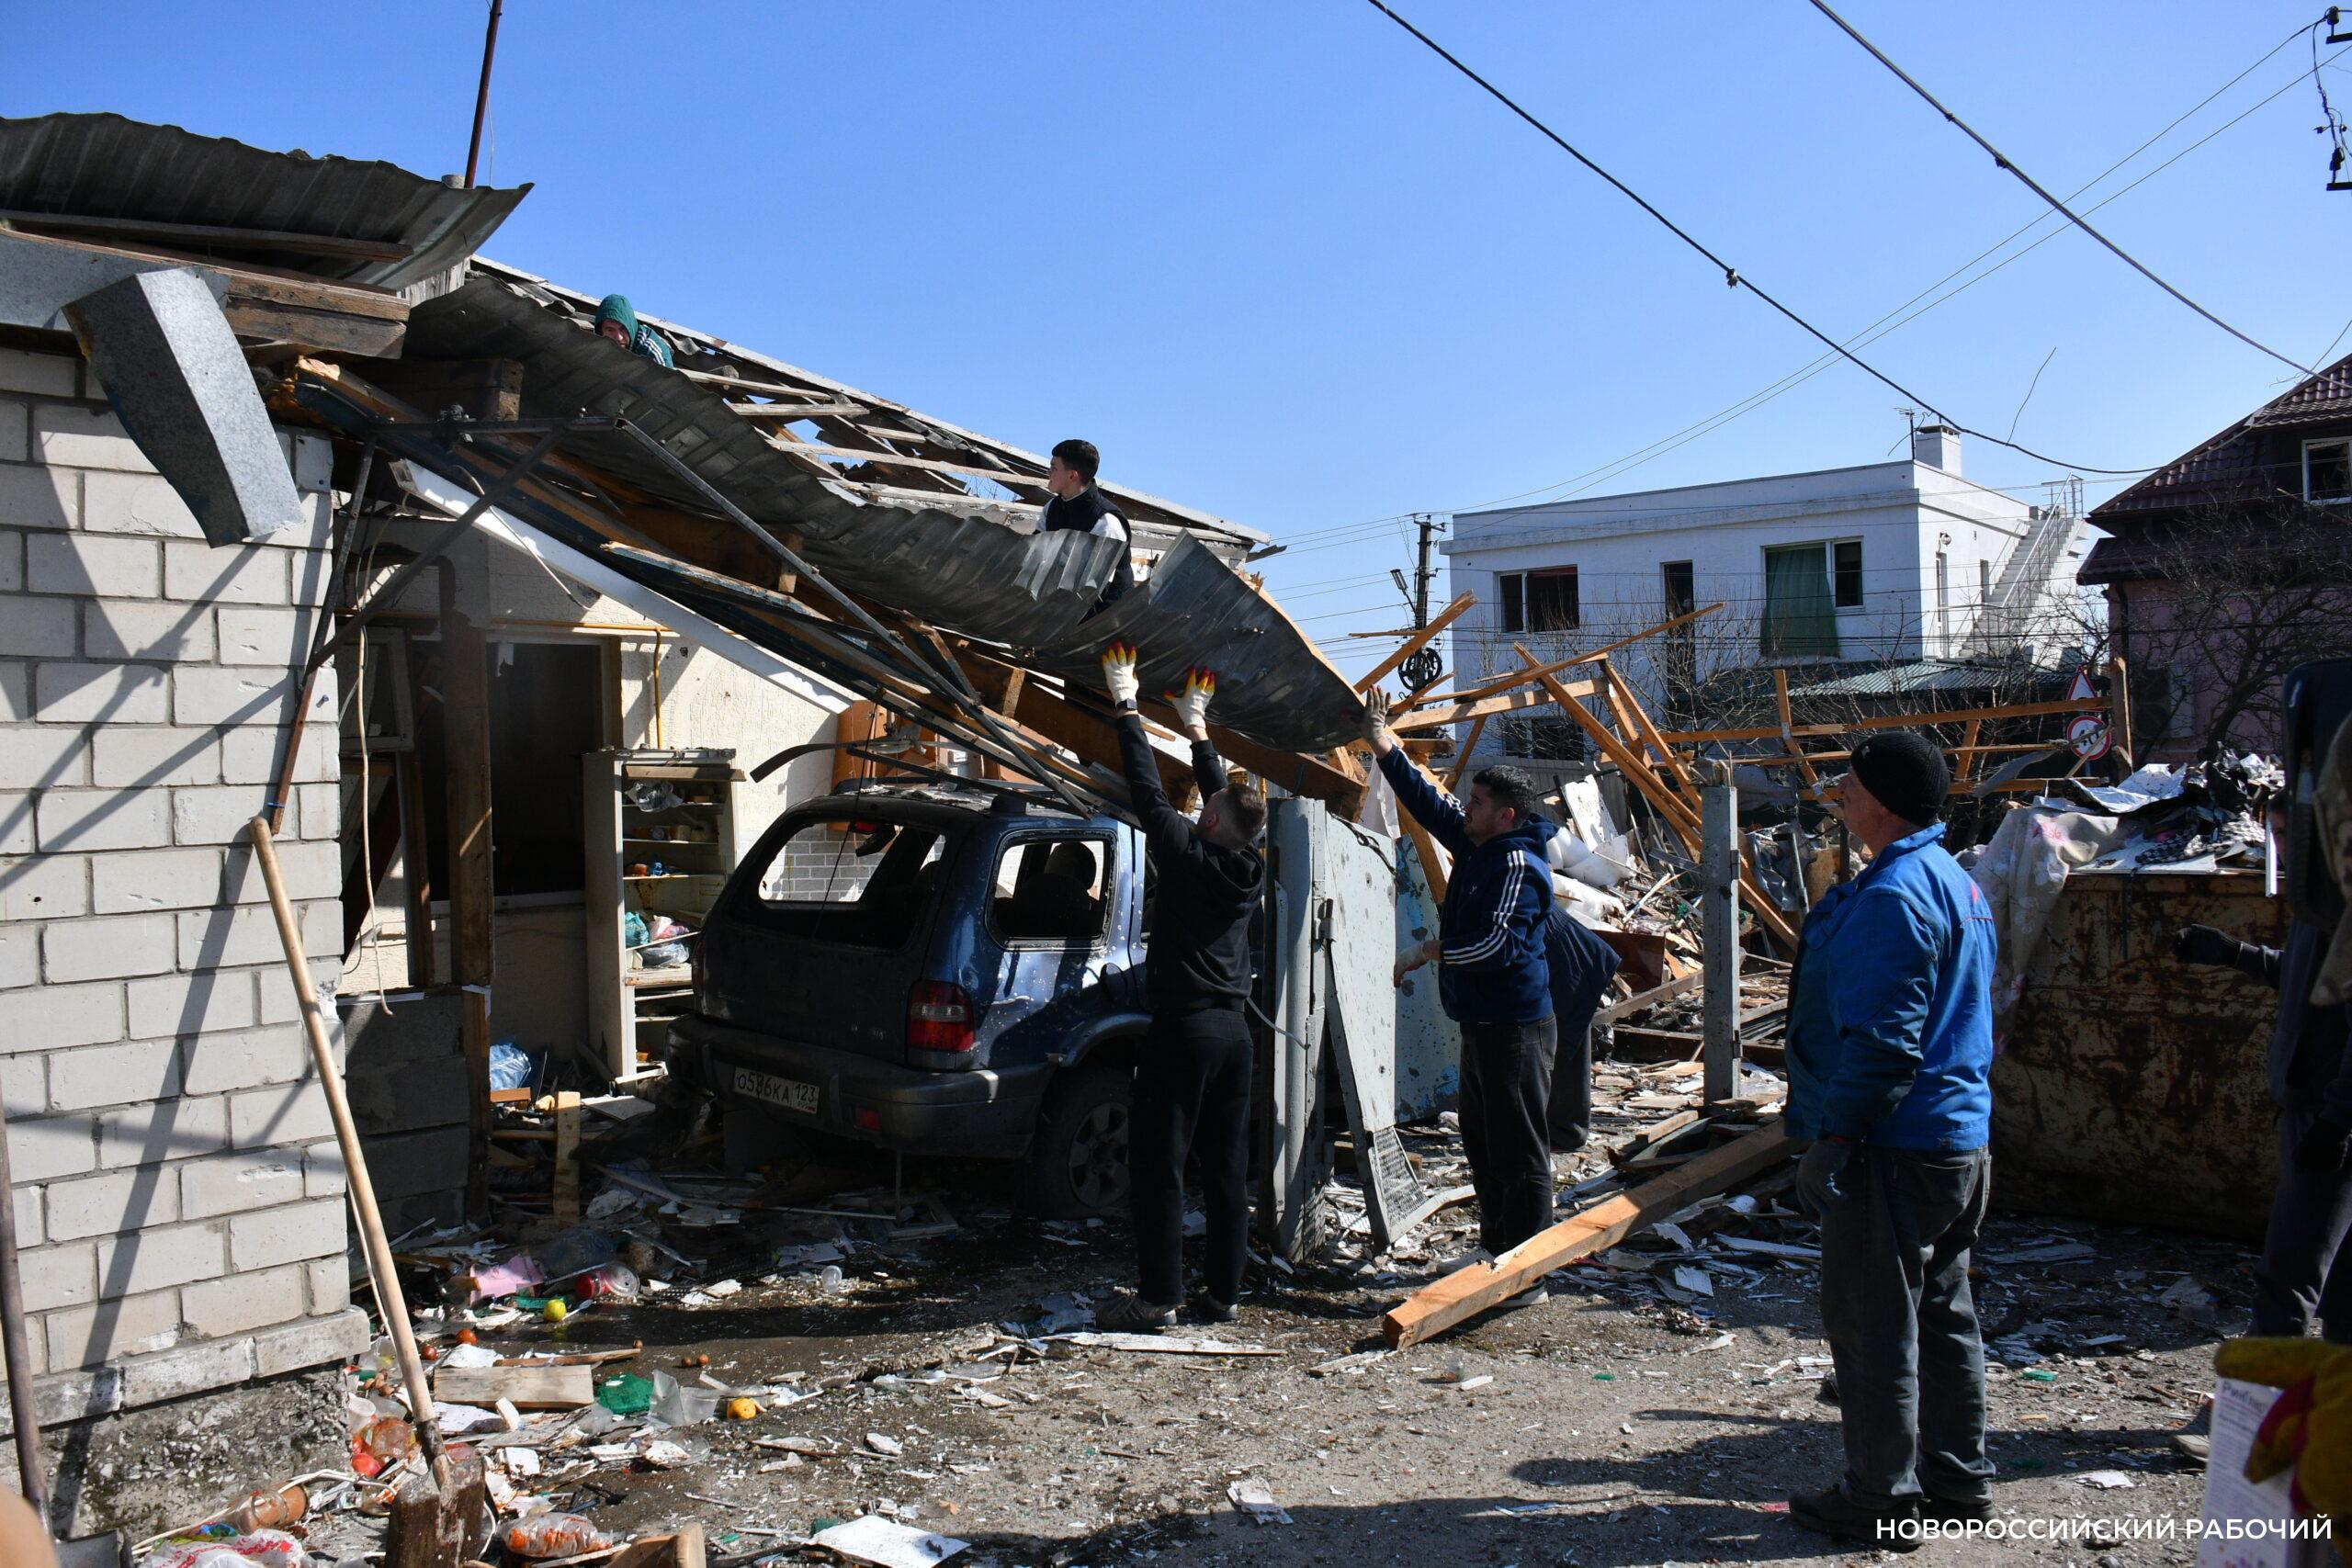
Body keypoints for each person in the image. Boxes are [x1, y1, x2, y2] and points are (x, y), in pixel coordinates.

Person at [1783, 729, 1997, 1547]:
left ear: (1878, 798)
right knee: (1944, 1312)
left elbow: (1885, 1040)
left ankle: (1881, 1497)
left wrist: (1833, 1140)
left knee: (1875, 1326)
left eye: (1848, 781)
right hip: (1957, 1140)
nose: (1838, 791)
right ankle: (1958, 1481)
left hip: (1894, 1145)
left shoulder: (1896, 894)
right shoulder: (1954, 881)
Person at [1363, 688, 1560, 1299]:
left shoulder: (1518, 865)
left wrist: (1428, 950)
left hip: (1516, 1027)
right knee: (1482, 1138)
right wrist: (1383, 745)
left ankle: (1527, 1270)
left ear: (1505, 814)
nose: (1465, 807)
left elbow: (1495, 945)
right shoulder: (1481, 843)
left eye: (1476, 801)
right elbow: (1429, 805)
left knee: (1519, 1148)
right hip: (1481, 1021)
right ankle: (1495, 1246)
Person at [1096, 645, 1267, 1331]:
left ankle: (1157, 1296)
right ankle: (1223, 1295)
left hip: (1185, 1029)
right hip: (1235, 1033)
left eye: (1208, 806)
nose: (1199, 807)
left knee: (1159, 1166)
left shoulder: (1189, 852)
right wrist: (1198, 729)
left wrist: (1126, 704)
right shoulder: (1246, 862)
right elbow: (1231, 799)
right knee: (1226, 1170)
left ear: (1214, 822)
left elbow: (1143, 785)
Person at [1040, 438, 1133, 610]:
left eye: (1054, 468)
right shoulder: (1051, 508)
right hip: (1060, 608)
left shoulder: (1107, 522)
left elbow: (1094, 587)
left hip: (1103, 618)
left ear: (1072, 475)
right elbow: (1035, 556)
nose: (1048, 473)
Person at [593, 294, 675, 368]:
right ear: (600, 331)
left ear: (630, 327)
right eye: (610, 330)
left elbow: (667, 384)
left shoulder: (652, 352)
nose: (618, 337)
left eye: (623, 329)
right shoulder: (593, 346)